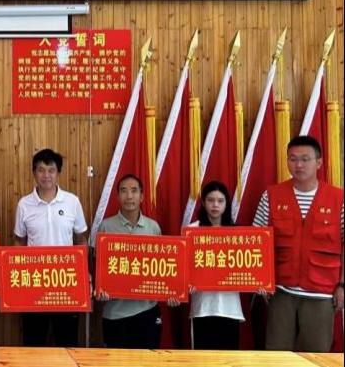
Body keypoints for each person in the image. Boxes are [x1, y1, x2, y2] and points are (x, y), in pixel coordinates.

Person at [253, 135, 344, 352]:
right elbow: (256, 242)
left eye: (305, 159)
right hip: (280, 294)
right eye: (293, 159)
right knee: (277, 357)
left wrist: (342, 286)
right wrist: (260, 280)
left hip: (321, 295)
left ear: (319, 162)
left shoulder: (338, 199)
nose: (299, 165)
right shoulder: (271, 196)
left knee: (315, 358)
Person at [95, 174, 180, 348]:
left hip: (147, 311)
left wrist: (172, 293)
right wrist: (100, 288)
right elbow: (99, 268)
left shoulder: (153, 227)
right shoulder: (106, 227)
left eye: (134, 191)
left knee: (148, 360)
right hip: (115, 313)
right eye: (124, 191)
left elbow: (162, 269)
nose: (129, 196)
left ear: (141, 196)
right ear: (117, 196)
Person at [13, 148, 87, 347]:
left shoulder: (72, 202)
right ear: (34, 173)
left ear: (58, 173)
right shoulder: (24, 204)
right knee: (33, 343)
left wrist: (83, 273)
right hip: (34, 284)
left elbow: (81, 239)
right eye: (41, 170)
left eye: (51, 170)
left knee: (67, 343)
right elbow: (19, 241)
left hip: (66, 284)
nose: (46, 175)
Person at [187, 181, 247, 350]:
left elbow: (249, 266)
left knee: (228, 359)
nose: (215, 205)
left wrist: (261, 283)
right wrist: (187, 283)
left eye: (220, 201)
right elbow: (185, 267)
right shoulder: (192, 230)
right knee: (203, 359)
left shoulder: (237, 233)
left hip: (230, 309)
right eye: (210, 200)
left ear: (226, 204)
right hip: (203, 308)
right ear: (203, 202)